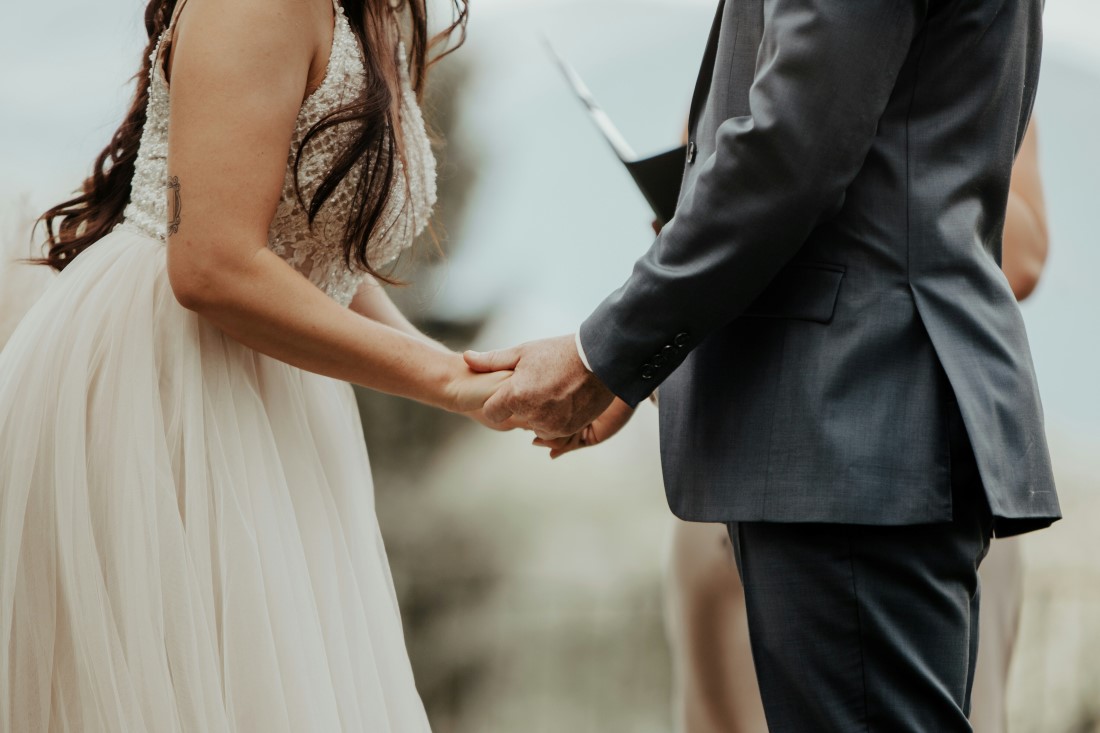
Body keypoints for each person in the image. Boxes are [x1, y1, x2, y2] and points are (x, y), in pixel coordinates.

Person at [468, 1, 1062, 731]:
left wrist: (604, 355)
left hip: (849, 419)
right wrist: (652, 361)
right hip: (846, 425)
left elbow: (791, 150)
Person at [0, 0, 511, 730]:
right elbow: (213, 265)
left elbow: (312, 241)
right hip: (161, 392)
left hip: (274, 396)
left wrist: (463, 371)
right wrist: (447, 381)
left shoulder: (376, 11)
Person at [660, 122, 1051, 733]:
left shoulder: (963, 60)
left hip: (906, 469)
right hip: (727, 460)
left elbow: (1021, 256)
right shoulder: (736, 52)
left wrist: (834, 178)